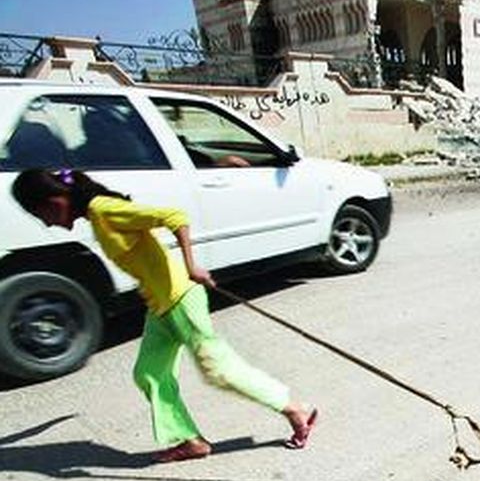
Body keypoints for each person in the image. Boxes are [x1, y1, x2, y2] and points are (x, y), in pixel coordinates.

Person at [10, 169, 317, 462]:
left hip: (181, 300)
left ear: (54, 202)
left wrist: (191, 265)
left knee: (220, 370)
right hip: (161, 308)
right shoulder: (97, 216)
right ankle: (190, 440)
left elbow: (175, 217)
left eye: (41, 216)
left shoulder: (105, 210)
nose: (47, 224)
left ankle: (294, 410)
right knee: (149, 374)